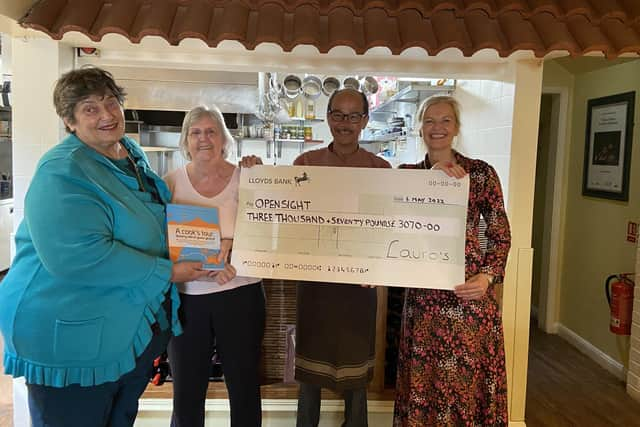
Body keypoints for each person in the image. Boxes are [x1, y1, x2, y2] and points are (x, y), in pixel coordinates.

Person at [0, 67, 208, 427]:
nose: (107, 115)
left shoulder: (128, 153)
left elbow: (153, 214)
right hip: (71, 337)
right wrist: (170, 271)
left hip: (121, 333)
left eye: (111, 102)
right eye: (90, 109)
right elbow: (78, 255)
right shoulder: (63, 170)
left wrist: (204, 244)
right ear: (69, 121)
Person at [393, 95, 511, 426]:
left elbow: (501, 236)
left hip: (469, 299)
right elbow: (391, 226)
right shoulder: (405, 176)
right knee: (424, 384)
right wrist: (432, 179)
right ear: (419, 128)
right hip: (425, 303)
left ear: (457, 127)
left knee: (466, 387)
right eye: (430, 120)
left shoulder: (482, 174)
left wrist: (487, 278)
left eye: (445, 120)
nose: (437, 127)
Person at [293, 88, 390, 427]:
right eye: (338, 114)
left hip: (358, 290)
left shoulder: (382, 169)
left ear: (365, 120)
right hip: (315, 287)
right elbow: (289, 221)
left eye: (353, 116)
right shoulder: (304, 165)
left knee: (356, 378)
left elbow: (387, 229)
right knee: (310, 377)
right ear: (327, 117)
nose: (344, 123)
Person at [164, 105, 266, 427]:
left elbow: (267, 233)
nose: (204, 138)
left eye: (211, 131)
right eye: (196, 132)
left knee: (244, 386)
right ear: (186, 140)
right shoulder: (170, 183)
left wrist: (235, 253)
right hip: (187, 298)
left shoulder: (247, 177)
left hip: (241, 293)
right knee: (186, 391)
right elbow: (158, 240)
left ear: (224, 138)